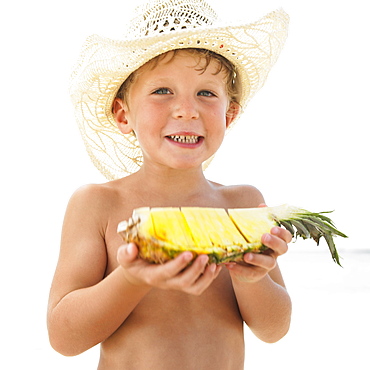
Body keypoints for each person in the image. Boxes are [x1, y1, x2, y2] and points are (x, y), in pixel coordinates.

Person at [47, 0, 292, 368]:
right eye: (162, 91)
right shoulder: (97, 204)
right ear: (122, 113)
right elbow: (64, 338)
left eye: (206, 93)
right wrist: (132, 278)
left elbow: (274, 329)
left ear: (229, 114)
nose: (187, 110)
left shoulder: (244, 202)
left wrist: (251, 278)